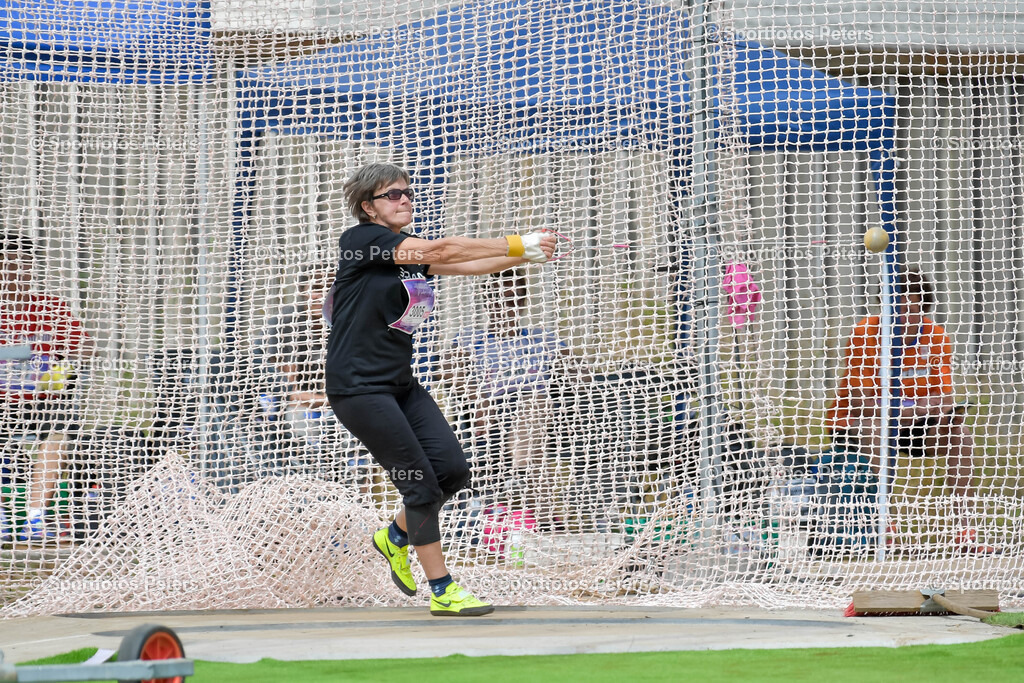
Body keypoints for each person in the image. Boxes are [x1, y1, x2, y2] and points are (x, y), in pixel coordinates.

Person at [325, 163, 556, 616]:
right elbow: (447, 247)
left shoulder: (407, 255)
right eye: (393, 194)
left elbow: (465, 262)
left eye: (408, 193)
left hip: (400, 385)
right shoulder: (361, 241)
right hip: (359, 389)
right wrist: (517, 241)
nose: (405, 200)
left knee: (451, 471)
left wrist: (528, 256)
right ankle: (444, 590)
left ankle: (393, 536)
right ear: (368, 207)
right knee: (421, 485)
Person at [826, 268, 990, 552]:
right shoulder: (865, 332)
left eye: (910, 305)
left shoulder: (936, 336)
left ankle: (966, 531)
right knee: (874, 427)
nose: (902, 313)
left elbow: (944, 398)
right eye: (895, 305)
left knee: (960, 434)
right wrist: (911, 409)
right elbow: (862, 400)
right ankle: (884, 528)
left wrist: (936, 415)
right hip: (855, 424)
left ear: (922, 307)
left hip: (912, 424)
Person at [0, 233, 92, 542]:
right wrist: (25, 351)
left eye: (24, 265)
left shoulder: (51, 307)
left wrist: (56, 351)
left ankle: (34, 518)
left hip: (44, 400)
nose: (17, 273)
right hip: (2, 399)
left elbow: (88, 348)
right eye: (9, 265)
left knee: (57, 433)